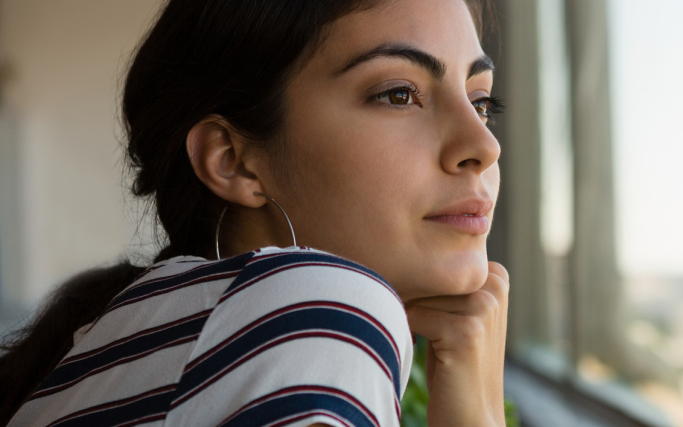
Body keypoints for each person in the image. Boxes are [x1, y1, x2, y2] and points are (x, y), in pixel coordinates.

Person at [0, 0, 509, 425]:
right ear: (233, 161)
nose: (483, 145)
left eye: (481, 101)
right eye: (399, 94)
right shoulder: (315, 306)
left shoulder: (142, 333)